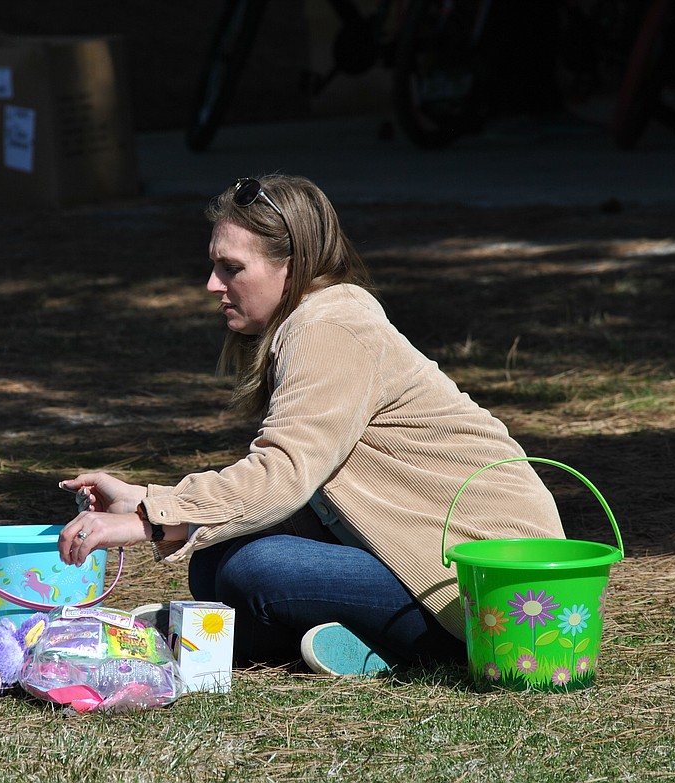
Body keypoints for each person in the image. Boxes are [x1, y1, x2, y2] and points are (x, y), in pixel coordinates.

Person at [58, 175, 564, 677]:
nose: (212, 284)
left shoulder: (329, 329)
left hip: (492, 588)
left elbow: (284, 473)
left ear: (292, 267)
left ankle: (420, 652)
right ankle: (341, 641)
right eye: (215, 265)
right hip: (421, 557)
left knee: (256, 570)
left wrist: (148, 519)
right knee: (213, 564)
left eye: (232, 267)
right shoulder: (314, 319)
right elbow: (311, 493)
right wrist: (142, 496)